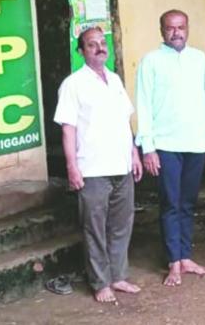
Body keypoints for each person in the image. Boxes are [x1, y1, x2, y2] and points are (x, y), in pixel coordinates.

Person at [54, 26, 142, 303]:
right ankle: (100, 282)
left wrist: (134, 153)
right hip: (92, 169)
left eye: (102, 43)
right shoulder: (73, 84)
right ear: (81, 51)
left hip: (121, 165)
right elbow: (68, 129)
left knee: (121, 225)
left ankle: (118, 276)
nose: (100, 48)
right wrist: (72, 166)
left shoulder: (114, 80)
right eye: (92, 44)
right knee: (94, 229)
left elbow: (125, 121)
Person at [136, 9, 205, 286]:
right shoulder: (151, 61)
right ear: (162, 31)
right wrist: (148, 147)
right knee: (170, 202)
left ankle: (186, 256)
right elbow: (143, 104)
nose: (176, 32)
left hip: (195, 143)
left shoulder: (200, 59)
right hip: (165, 144)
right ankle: (173, 262)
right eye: (170, 28)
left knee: (188, 203)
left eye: (181, 27)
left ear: (187, 28)